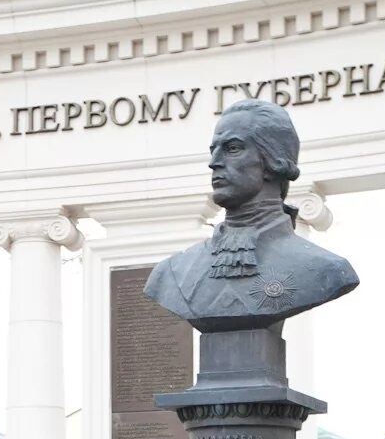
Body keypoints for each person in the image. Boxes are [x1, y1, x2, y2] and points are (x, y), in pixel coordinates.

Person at [144, 98, 357, 333]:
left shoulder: (325, 269)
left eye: (232, 148)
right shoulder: (170, 274)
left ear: (274, 160)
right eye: (213, 151)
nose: (214, 163)